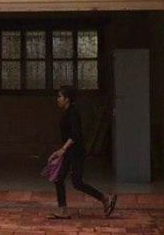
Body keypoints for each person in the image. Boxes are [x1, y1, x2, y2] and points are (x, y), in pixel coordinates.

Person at [48, 86, 116, 219]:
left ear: (67, 99)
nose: (57, 99)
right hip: (69, 152)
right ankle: (63, 210)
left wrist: (62, 149)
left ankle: (105, 198)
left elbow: (75, 135)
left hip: (76, 153)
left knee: (77, 182)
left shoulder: (73, 114)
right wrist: (61, 151)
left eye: (60, 96)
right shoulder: (67, 113)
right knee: (59, 179)